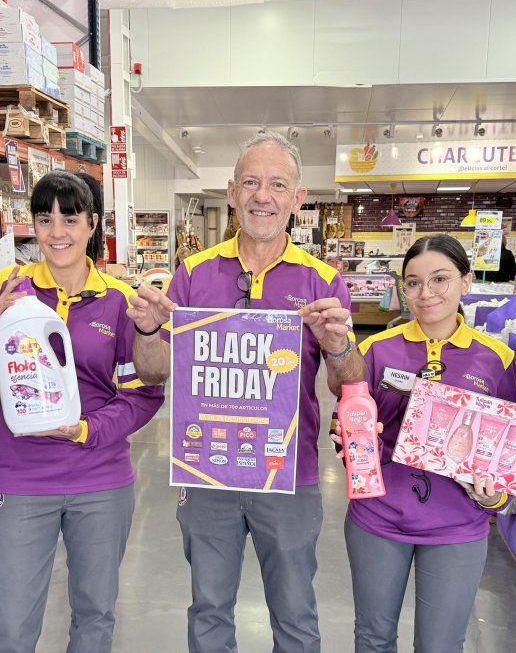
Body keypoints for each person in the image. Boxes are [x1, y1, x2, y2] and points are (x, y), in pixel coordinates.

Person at [128, 131, 360, 652]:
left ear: (298, 199)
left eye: (278, 184)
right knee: (209, 610)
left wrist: (341, 345)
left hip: (289, 474)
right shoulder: (192, 273)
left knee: (296, 614)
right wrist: (146, 331)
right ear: (232, 192)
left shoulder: (323, 279)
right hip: (208, 470)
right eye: (251, 182)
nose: (263, 195)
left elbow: (347, 386)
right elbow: (154, 373)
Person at [0, 171, 164, 653]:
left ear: (93, 224)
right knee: (9, 622)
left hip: (100, 479)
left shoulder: (118, 301)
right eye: (44, 218)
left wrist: (88, 430)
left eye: (70, 218)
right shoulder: (9, 289)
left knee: (95, 615)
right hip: (20, 476)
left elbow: (143, 394)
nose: (56, 232)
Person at [333, 234, 515, 653]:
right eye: (413, 282)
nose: (426, 293)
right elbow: (346, 428)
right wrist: (351, 443)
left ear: (466, 282)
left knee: (441, 645)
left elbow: (506, 453)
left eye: (440, 279)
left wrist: (492, 499)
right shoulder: (375, 349)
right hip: (378, 518)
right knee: (373, 639)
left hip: (457, 527)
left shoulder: (496, 357)